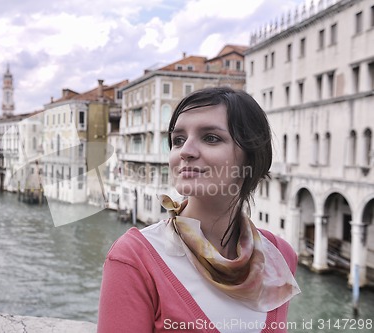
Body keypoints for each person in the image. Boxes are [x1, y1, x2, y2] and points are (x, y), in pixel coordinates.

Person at [97, 87, 300, 333]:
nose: (185, 151)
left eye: (211, 138)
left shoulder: (281, 256)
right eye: (178, 140)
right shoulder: (134, 259)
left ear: (250, 156)